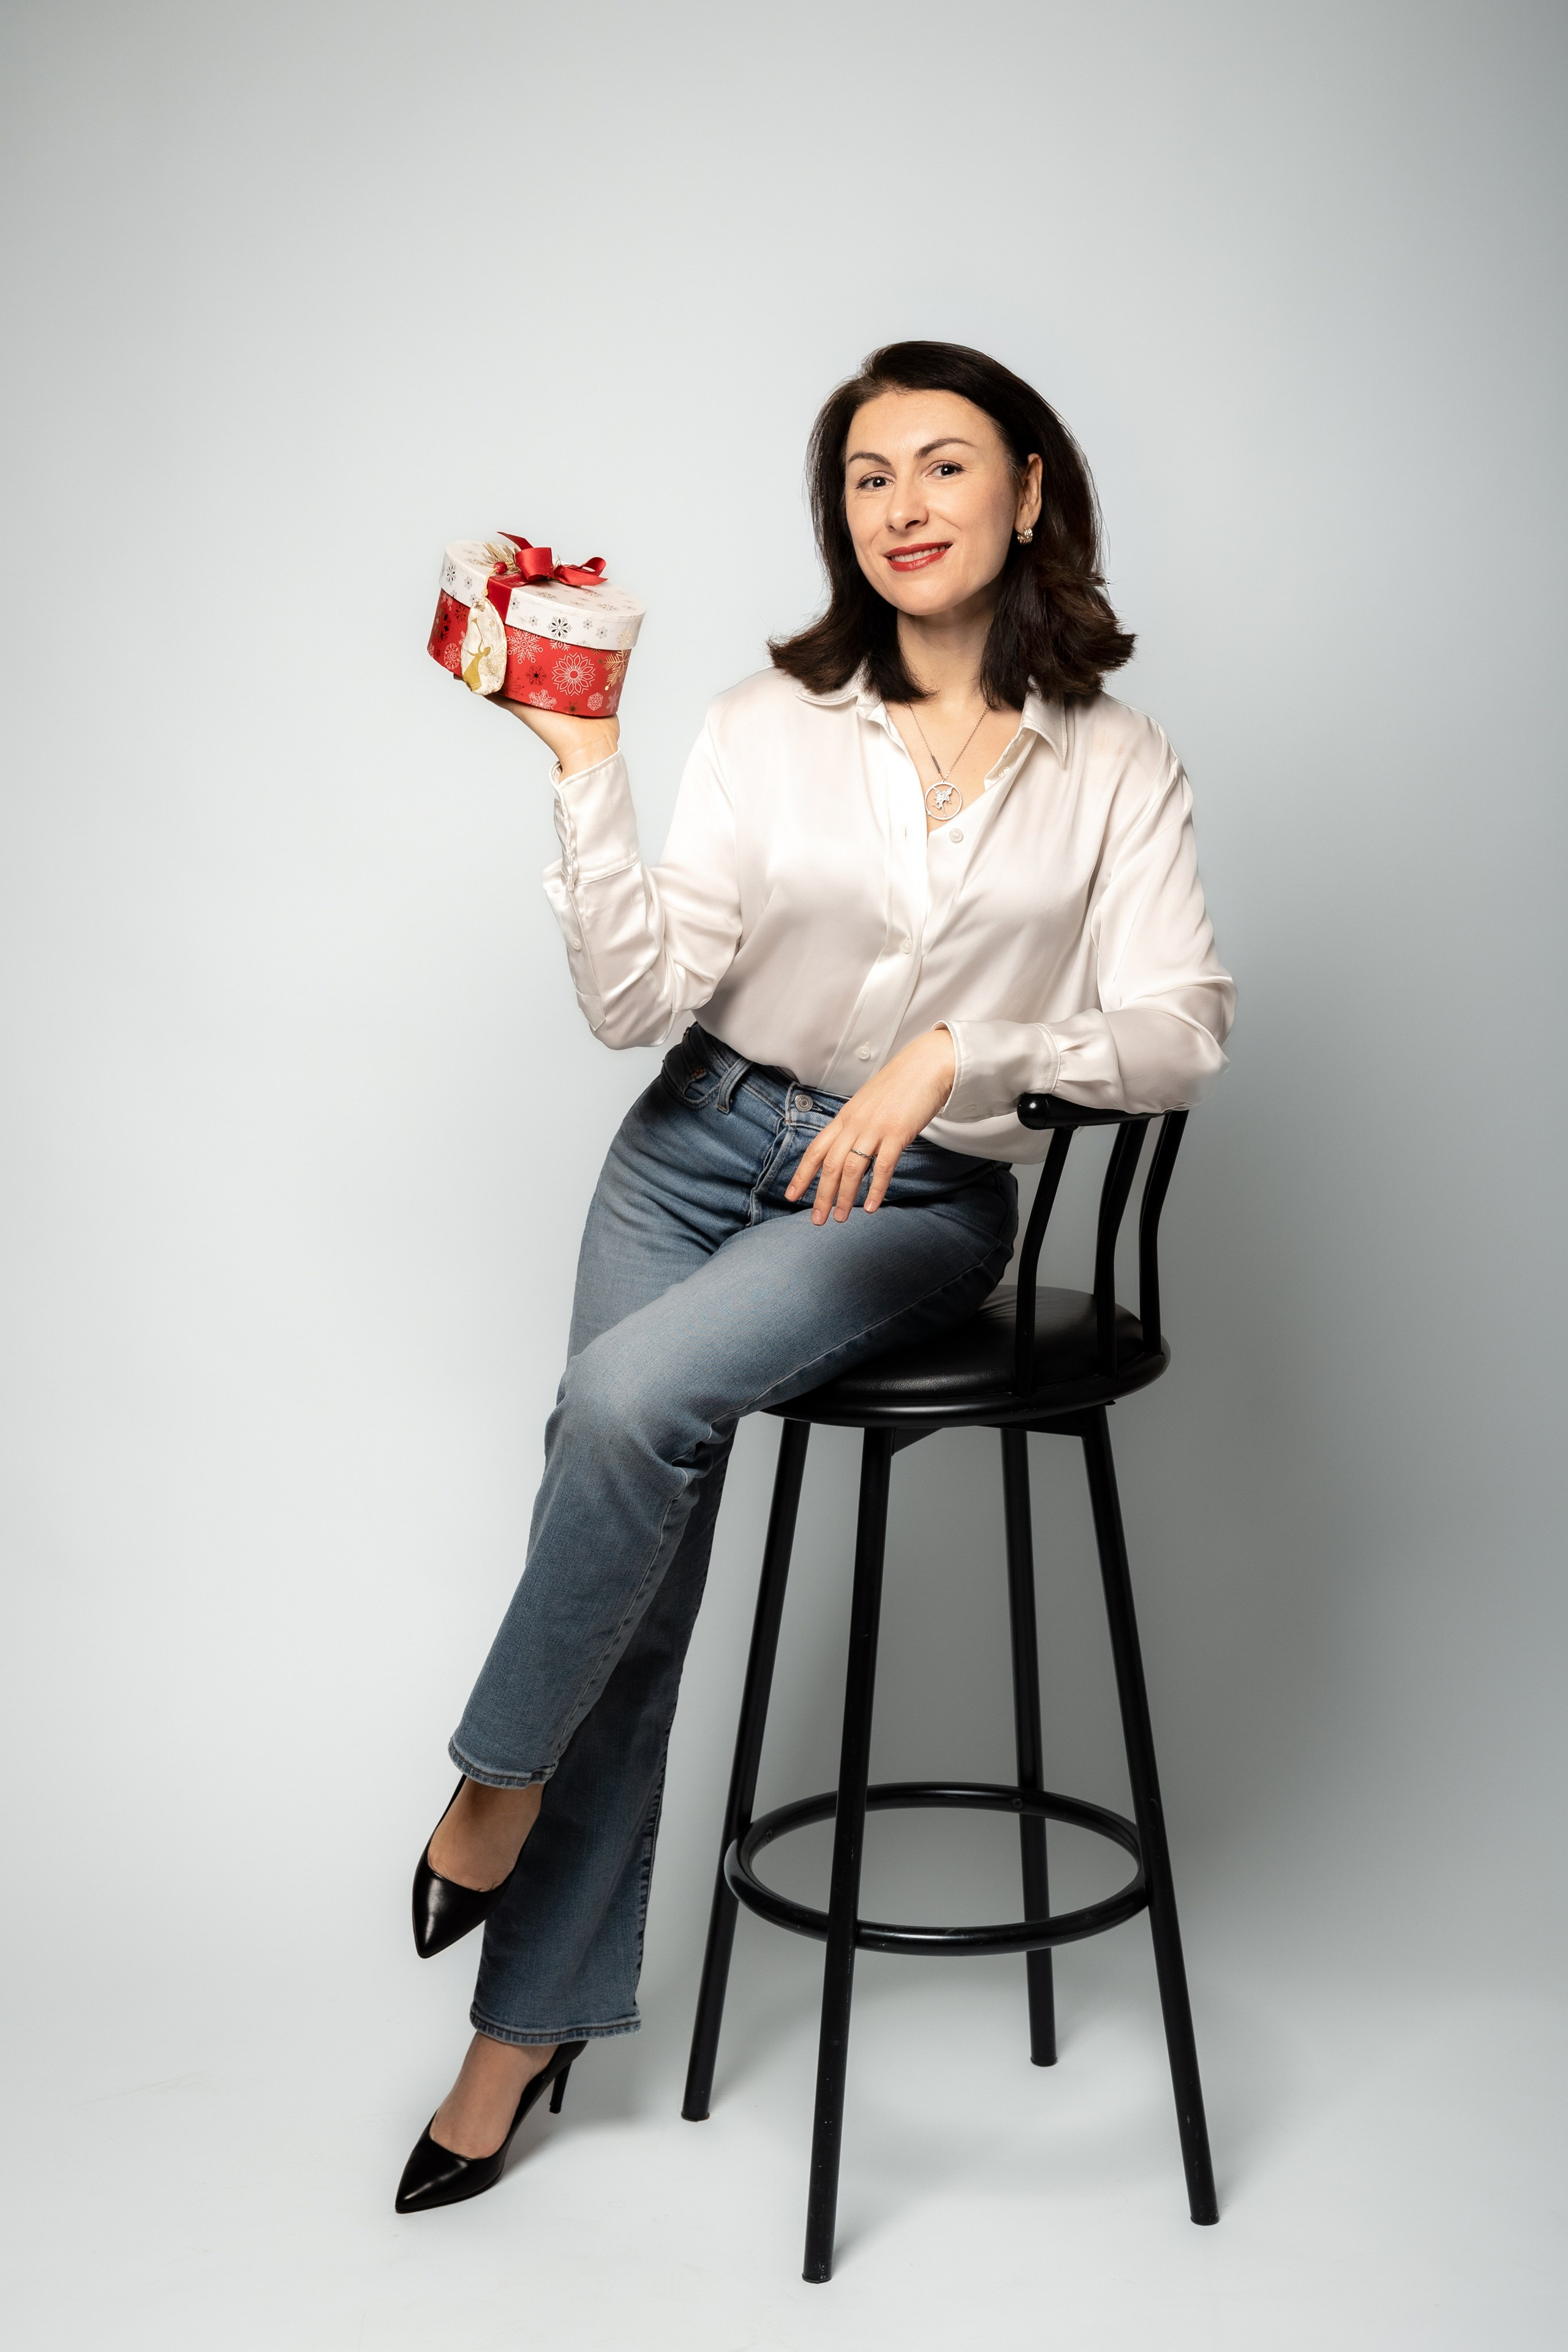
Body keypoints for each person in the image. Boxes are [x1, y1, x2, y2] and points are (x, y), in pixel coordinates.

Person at [394, 339, 1235, 2213]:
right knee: (640, 1548)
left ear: (1029, 489)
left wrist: (966, 1052)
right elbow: (632, 1003)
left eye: (945, 467)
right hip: (695, 1151)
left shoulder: (1113, 762)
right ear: (837, 515)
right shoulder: (766, 721)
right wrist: (588, 765)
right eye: (868, 477)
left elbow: (1181, 1028)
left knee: (618, 1413)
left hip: (913, 1194)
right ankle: (515, 2047)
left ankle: (492, 1784)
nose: (907, 508)